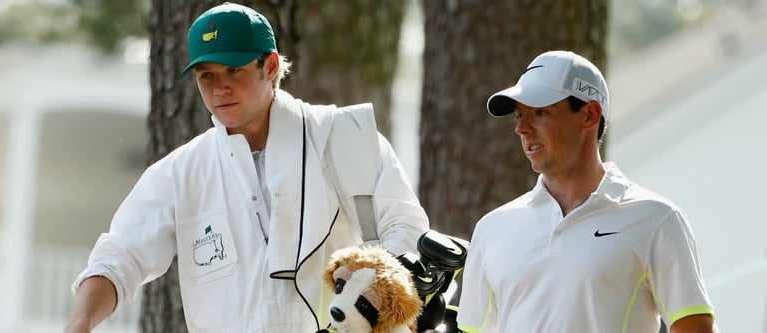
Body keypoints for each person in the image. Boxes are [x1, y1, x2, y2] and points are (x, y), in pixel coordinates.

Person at [63, 3, 429, 333]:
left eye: (233, 70)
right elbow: (119, 257)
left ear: (270, 66)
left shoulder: (344, 137)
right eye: (206, 75)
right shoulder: (179, 173)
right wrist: (80, 322)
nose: (219, 87)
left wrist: (372, 295)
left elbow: (405, 229)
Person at [456, 50, 716, 333]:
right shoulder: (491, 229)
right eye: (520, 115)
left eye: (540, 112)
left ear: (589, 115)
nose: (521, 128)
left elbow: (695, 327)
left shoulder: (657, 219)